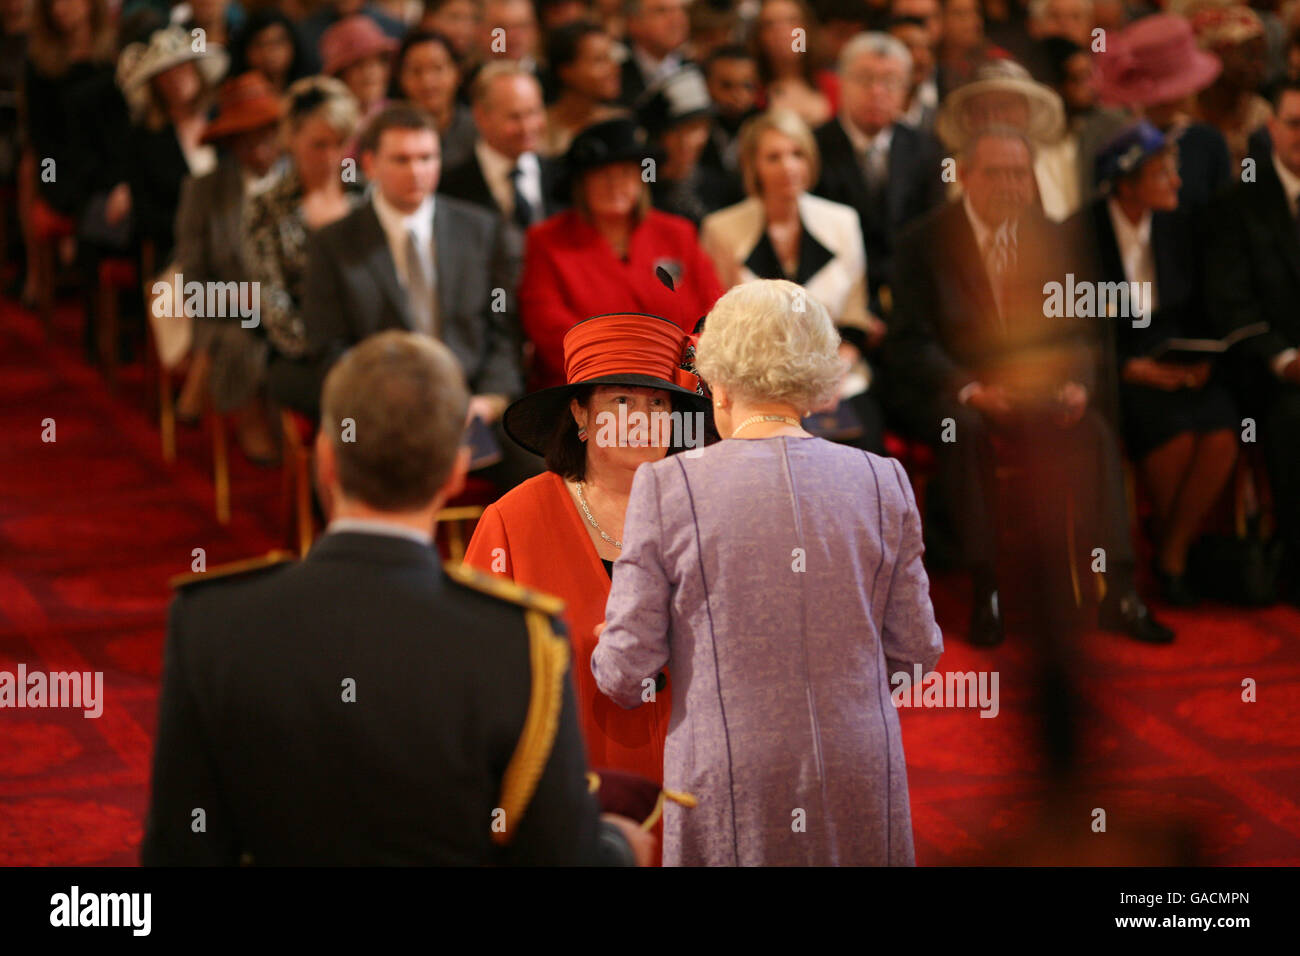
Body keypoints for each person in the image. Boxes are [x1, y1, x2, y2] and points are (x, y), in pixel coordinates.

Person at [142, 330, 651, 866]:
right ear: (458, 471)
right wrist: (618, 849)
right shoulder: (516, 639)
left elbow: (179, 853)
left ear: (325, 460)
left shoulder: (212, 623)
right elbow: (553, 852)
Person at [590, 279, 944, 866]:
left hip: (730, 776)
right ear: (814, 378)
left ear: (718, 382)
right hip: (859, 760)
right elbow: (917, 651)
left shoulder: (668, 485)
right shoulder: (884, 480)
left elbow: (626, 673)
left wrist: (617, 652)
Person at [888, 125, 1174, 646]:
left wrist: (1075, 383)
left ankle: (1121, 589)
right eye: (995, 172)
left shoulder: (1054, 238)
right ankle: (987, 587)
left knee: (1094, 430)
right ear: (966, 177)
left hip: (1035, 387)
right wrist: (971, 388)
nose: (1010, 185)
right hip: (957, 393)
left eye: (1020, 173)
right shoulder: (922, 242)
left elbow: (1086, 331)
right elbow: (910, 344)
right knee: (965, 428)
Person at [465, 312, 709, 791]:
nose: (641, 420)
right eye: (621, 400)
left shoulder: (702, 512)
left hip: (693, 784)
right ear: (580, 414)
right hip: (567, 787)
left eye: (657, 403)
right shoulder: (514, 520)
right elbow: (474, 670)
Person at [302, 104, 533, 489]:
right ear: (371, 164)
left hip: (469, 405)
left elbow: (503, 331)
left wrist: (489, 400)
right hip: (381, 411)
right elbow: (329, 348)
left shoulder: (480, 229)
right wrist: (384, 404)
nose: (417, 171)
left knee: (543, 480)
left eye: (427, 158)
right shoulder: (333, 244)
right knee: (347, 480)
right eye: (402, 159)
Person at [1067, 121, 1239, 605]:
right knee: (1176, 437)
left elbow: (1199, 304)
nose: (1177, 183)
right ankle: (1178, 563)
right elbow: (1075, 325)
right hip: (1119, 362)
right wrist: (1126, 367)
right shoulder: (1083, 233)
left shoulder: (1177, 222)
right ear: (1127, 183)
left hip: (1177, 352)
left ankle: (1171, 551)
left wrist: (1202, 357)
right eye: (1163, 174)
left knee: (1223, 430)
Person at [701, 108, 884, 452]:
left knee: (862, 442)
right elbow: (718, 327)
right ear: (753, 166)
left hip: (837, 380)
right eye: (773, 157)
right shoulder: (720, 229)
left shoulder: (842, 221)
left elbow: (855, 319)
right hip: (752, 388)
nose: (788, 166)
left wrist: (828, 380)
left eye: (797, 154)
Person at [518, 116, 723, 392]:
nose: (615, 185)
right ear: (581, 185)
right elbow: (551, 331)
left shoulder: (677, 233)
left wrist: (680, 373)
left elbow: (714, 314)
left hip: (682, 392)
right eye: (603, 175)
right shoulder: (547, 241)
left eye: (626, 173)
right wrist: (634, 371)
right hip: (585, 394)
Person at [1205, 80, 1300, 603]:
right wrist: (1284, 359)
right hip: (1266, 370)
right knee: (1292, 415)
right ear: (1273, 129)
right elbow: (1231, 304)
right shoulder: (1241, 202)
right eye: (1295, 123)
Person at [171, 72, 284, 463]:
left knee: (252, 331)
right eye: (248, 136)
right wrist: (251, 300)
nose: (260, 146)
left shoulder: (300, 183)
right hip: (227, 310)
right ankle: (251, 415)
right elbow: (193, 286)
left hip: (291, 307)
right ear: (231, 143)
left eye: (268, 132)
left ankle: (203, 376)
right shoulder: (203, 191)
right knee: (241, 333)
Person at [243, 76, 362, 419]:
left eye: (340, 144)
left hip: (367, 347)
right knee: (356, 404)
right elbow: (272, 299)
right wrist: (333, 354)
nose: (332, 157)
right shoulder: (266, 206)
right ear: (291, 139)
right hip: (301, 355)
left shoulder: (366, 196)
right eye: (319, 145)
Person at [813, 32, 946, 316]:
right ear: (841, 83)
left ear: (906, 89)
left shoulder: (926, 149)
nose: (877, 91)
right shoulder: (812, 148)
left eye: (890, 81)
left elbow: (933, 233)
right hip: (835, 304)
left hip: (910, 301)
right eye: (864, 79)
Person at [439, 62, 562, 228]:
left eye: (533, 112)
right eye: (515, 117)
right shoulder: (449, 188)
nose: (528, 127)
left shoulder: (563, 177)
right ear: (481, 117)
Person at [640, 65, 730, 224]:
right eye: (677, 131)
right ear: (658, 137)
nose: (688, 141)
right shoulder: (646, 183)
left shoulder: (718, 186)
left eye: (698, 128)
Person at [392, 28, 477, 171]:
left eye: (437, 69)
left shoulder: (478, 130)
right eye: (416, 71)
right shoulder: (389, 133)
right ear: (400, 78)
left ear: (457, 73)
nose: (427, 82)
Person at [542, 19, 623, 158]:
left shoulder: (622, 124)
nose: (614, 68)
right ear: (566, 71)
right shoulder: (537, 128)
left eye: (611, 57)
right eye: (599, 60)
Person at [752, 0, 835, 128]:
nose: (781, 32)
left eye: (792, 21)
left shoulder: (833, 85)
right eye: (770, 24)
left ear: (808, 30)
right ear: (759, 37)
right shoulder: (751, 91)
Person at [320, 13, 396, 120]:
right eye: (358, 65)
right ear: (339, 75)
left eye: (377, 63)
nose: (370, 73)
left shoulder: (398, 116)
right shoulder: (327, 122)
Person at [618, 0, 689, 106]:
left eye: (680, 10)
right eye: (661, 11)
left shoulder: (696, 67)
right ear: (633, 22)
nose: (676, 19)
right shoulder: (615, 72)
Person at [229, 8, 308, 93]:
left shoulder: (307, 90)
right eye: (260, 44)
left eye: (277, 42)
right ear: (245, 50)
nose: (269, 52)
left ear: (293, 45)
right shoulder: (235, 93)